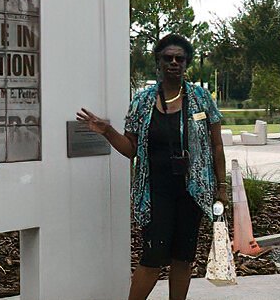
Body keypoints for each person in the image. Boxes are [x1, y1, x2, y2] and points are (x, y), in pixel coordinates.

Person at [76, 34, 228, 300]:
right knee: (153, 257)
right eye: (167, 58)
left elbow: (217, 146)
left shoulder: (202, 98)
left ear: (186, 63)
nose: (173, 63)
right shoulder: (143, 101)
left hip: (192, 192)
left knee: (183, 257)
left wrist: (221, 186)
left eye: (179, 58)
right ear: (158, 62)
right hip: (156, 193)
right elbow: (131, 150)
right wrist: (107, 131)